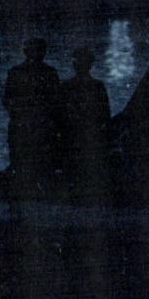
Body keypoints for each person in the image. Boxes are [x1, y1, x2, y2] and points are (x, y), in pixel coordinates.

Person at [3, 37, 61, 191]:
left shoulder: (16, 72)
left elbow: (7, 101)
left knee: (21, 164)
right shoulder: (50, 73)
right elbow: (56, 103)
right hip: (38, 127)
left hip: (23, 126)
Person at [59, 46, 112, 201]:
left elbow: (60, 113)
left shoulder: (66, 86)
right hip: (90, 133)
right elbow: (105, 114)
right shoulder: (98, 86)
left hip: (72, 133)